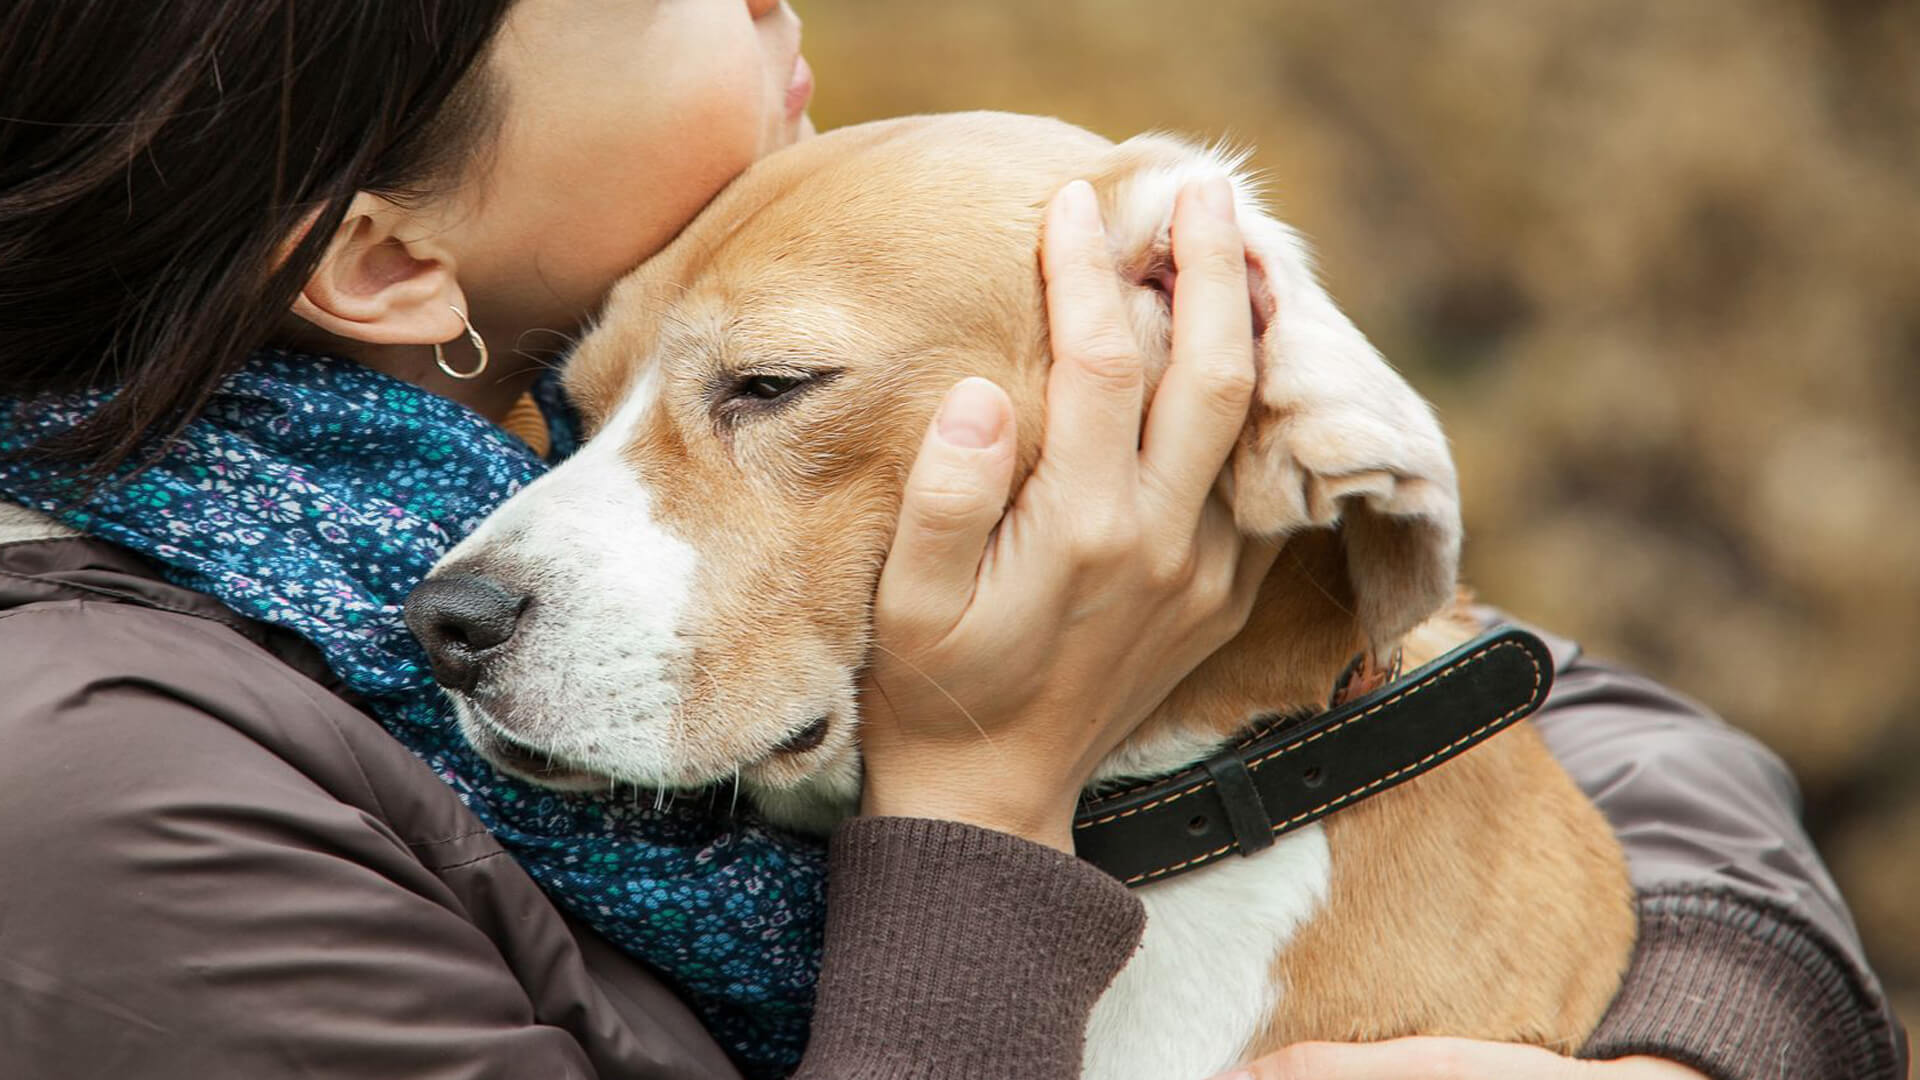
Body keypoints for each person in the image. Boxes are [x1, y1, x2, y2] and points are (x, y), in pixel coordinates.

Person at [0, 2, 1904, 1078]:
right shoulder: (108, 810)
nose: (776, 3)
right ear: (389, 256)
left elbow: (1535, 702)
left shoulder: (506, 415)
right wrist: (983, 799)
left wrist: (1691, 1050)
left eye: (754, 393)